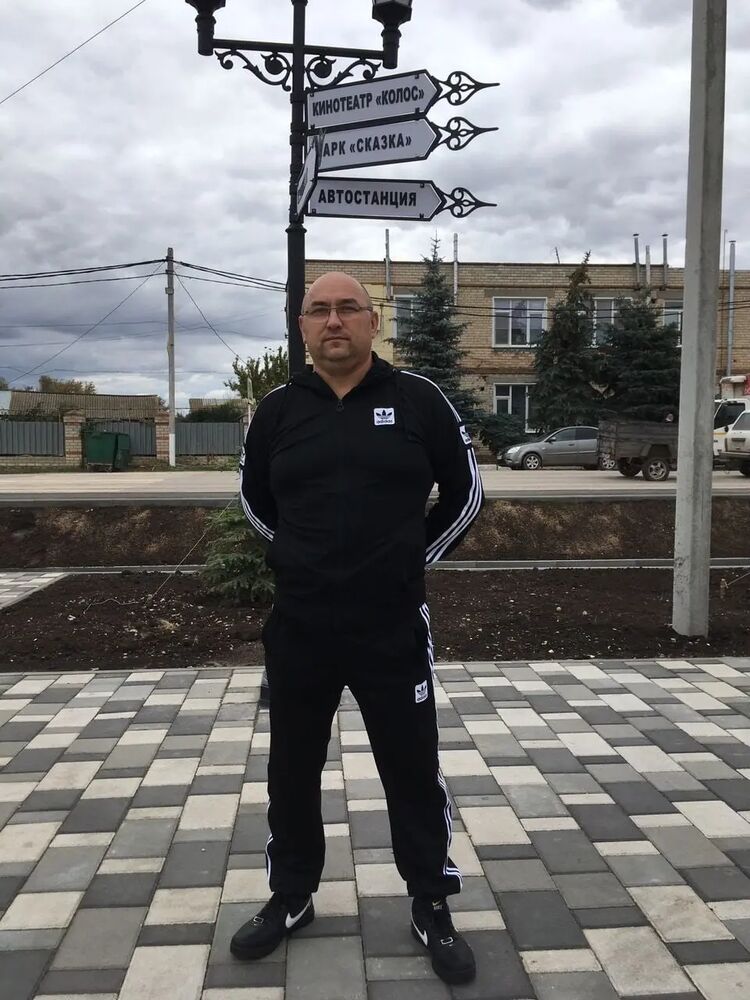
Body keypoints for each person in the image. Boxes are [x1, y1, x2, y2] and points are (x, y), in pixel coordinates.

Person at [233, 271, 484, 986]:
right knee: (291, 768)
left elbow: (466, 494)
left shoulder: (419, 400)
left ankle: (430, 899)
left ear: (374, 323)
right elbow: (253, 499)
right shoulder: (278, 411)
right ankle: (291, 895)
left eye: (349, 308)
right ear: (302, 327)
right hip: (300, 626)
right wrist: (300, 559)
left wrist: (405, 562)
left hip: (390, 625)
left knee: (411, 767)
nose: (334, 321)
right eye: (319, 310)